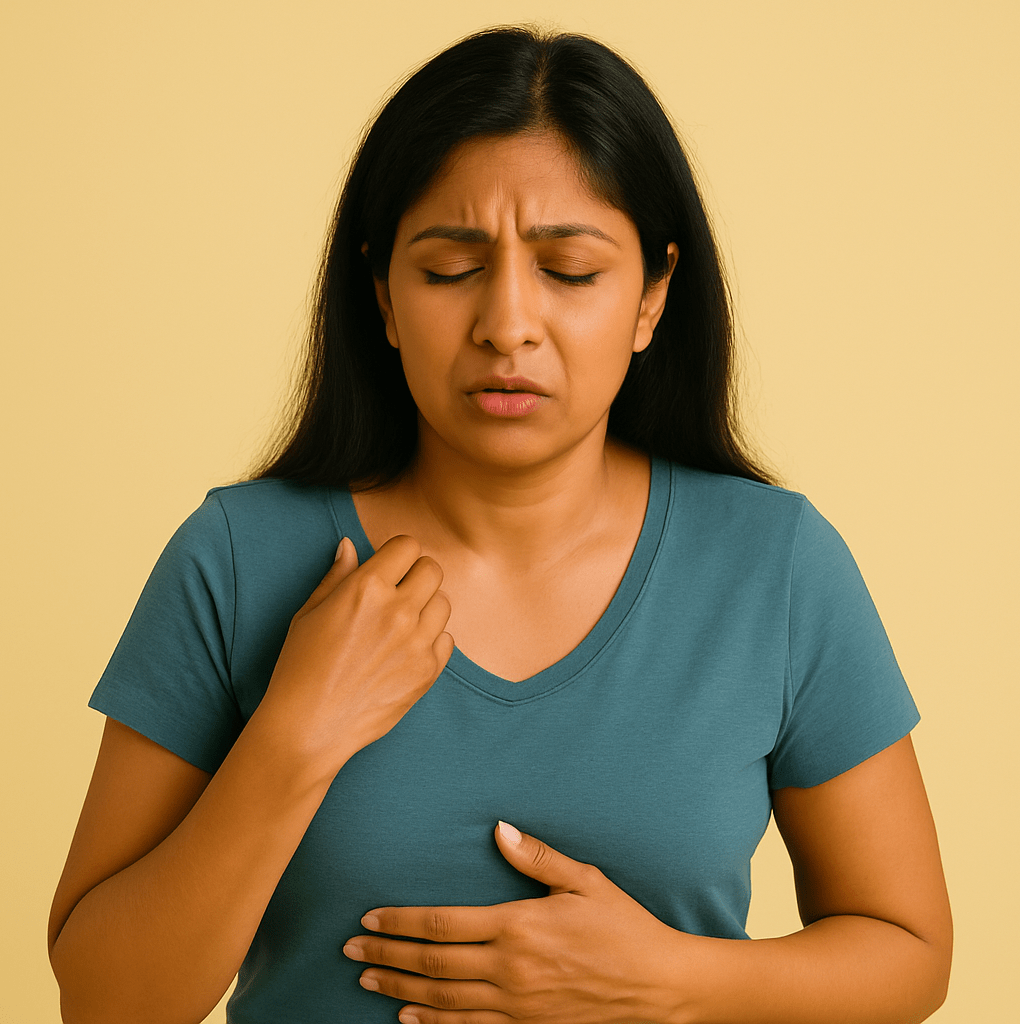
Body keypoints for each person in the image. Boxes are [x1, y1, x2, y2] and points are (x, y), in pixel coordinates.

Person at [48, 25, 952, 1024]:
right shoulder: (233, 558)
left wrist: (672, 979)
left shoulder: (773, 566)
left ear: (652, 297)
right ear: (382, 294)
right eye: (448, 270)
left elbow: (905, 954)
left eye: (569, 270)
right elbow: (102, 1001)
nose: (507, 323)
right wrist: (296, 733)